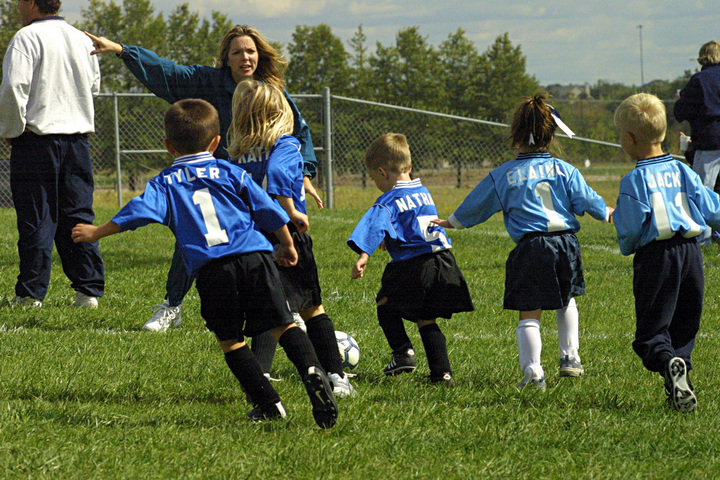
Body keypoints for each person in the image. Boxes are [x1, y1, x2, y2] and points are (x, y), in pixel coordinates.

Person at [71, 99, 338, 427]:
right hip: (255, 258)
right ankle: (312, 371)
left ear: (168, 146)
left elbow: (138, 211)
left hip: (213, 270)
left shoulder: (165, 182)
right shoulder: (231, 171)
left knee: (231, 341)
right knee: (283, 325)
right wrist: (286, 243)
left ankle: (268, 404)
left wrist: (97, 231)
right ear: (215, 142)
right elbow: (267, 209)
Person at [85, 25, 323, 331]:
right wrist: (122, 51)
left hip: (258, 188)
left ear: (259, 55)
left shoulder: (271, 90)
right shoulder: (207, 81)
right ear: (226, 58)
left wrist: (305, 173)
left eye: (250, 51)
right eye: (237, 52)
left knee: (274, 242)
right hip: (218, 182)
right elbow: (167, 72)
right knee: (193, 234)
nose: (245, 57)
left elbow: (298, 132)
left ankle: (286, 309)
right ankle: (172, 305)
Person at [434, 92, 613, 390]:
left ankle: (533, 372)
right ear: (551, 136)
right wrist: (605, 212)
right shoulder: (565, 170)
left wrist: (451, 221)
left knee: (529, 312)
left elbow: (476, 205)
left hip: (531, 247)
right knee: (566, 300)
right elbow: (588, 200)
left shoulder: (504, 174)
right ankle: (570, 357)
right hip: (566, 243)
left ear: (515, 136)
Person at [227, 79, 356, 398]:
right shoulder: (286, 143)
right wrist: (291, 210)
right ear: (281, 112)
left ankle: (260, 377)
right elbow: (278, 174)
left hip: (252, 240)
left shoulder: (238, 153)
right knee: (312, 309)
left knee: (268, 310)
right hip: (287, 236)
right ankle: (336, 376)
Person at [613, 93, 720, 413]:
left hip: (656, 256)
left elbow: (631, 227)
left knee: (652, 329)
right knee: (685, 323)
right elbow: (711, 207)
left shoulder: (634, 179)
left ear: (630, 139)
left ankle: (665, 361)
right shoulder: (684, 171)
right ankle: (680, 373)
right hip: (691, 253)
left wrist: (627, 246)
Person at [0, 0, 104, 308]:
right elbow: (94, 86)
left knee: (37, 215)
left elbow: (14, 87)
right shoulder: (81, 38)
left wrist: (11, 129)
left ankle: (31, 293)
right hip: (78, 142)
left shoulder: (26, 37)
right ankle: (88, 290)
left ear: (32, 3)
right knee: (78, 213)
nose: (18, 6)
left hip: (37, 141)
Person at [347, 133, 474, 385]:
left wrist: (364, 255)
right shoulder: (424, 191)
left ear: (382, 172)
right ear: (409, 166)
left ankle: (403, 352)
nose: (375, 183)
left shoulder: (388, 200)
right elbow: (412, 221)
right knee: (426, 318)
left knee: (385, 303)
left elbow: (374, 226)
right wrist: (392, 235)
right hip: (443, 261)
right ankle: (442, 374)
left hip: (413, 264)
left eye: (373, 178)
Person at [674, 40, 720, 245]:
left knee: (703, 190)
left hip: (710, 140)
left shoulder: (700, 80)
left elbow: (681, 110)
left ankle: (703, 236)